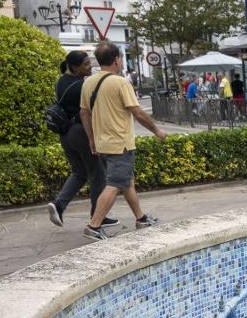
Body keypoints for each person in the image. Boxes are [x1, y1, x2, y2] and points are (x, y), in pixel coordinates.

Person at [80, 42, 167, 241]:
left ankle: (141, 218)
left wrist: (91, 138)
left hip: (102, 142)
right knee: (115, 184)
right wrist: (157, 130)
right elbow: (137, 112)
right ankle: (94, 225)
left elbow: (84, 113)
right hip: (120, 142)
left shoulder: (88, 83)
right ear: (117, 59)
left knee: (127, 181)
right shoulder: (120, 83)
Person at [45, 51, 115, 229]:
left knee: (80, 172)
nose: (89, 66)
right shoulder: (80, 87)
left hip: (66, 134)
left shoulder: (62, 81)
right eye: (85, 64)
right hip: (80, 132)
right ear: (75, 67)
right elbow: (88, 112)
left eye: (89, 62)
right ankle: (97, 216)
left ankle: (59, 204)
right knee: (98, 174)